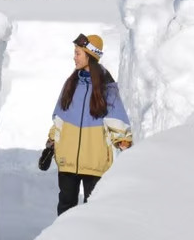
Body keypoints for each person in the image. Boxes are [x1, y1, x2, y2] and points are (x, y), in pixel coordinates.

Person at [44, 33, 133, 215]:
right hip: (68, 160)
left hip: (95, 160)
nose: (74, 57)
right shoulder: (70, 84)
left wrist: (123, 141)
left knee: (93, 210)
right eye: (75, 53)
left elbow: (117, 120)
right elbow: (60, 119)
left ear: (89, 55)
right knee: (66, 207)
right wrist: (51, 142)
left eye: (78, 53)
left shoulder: (107, 88)